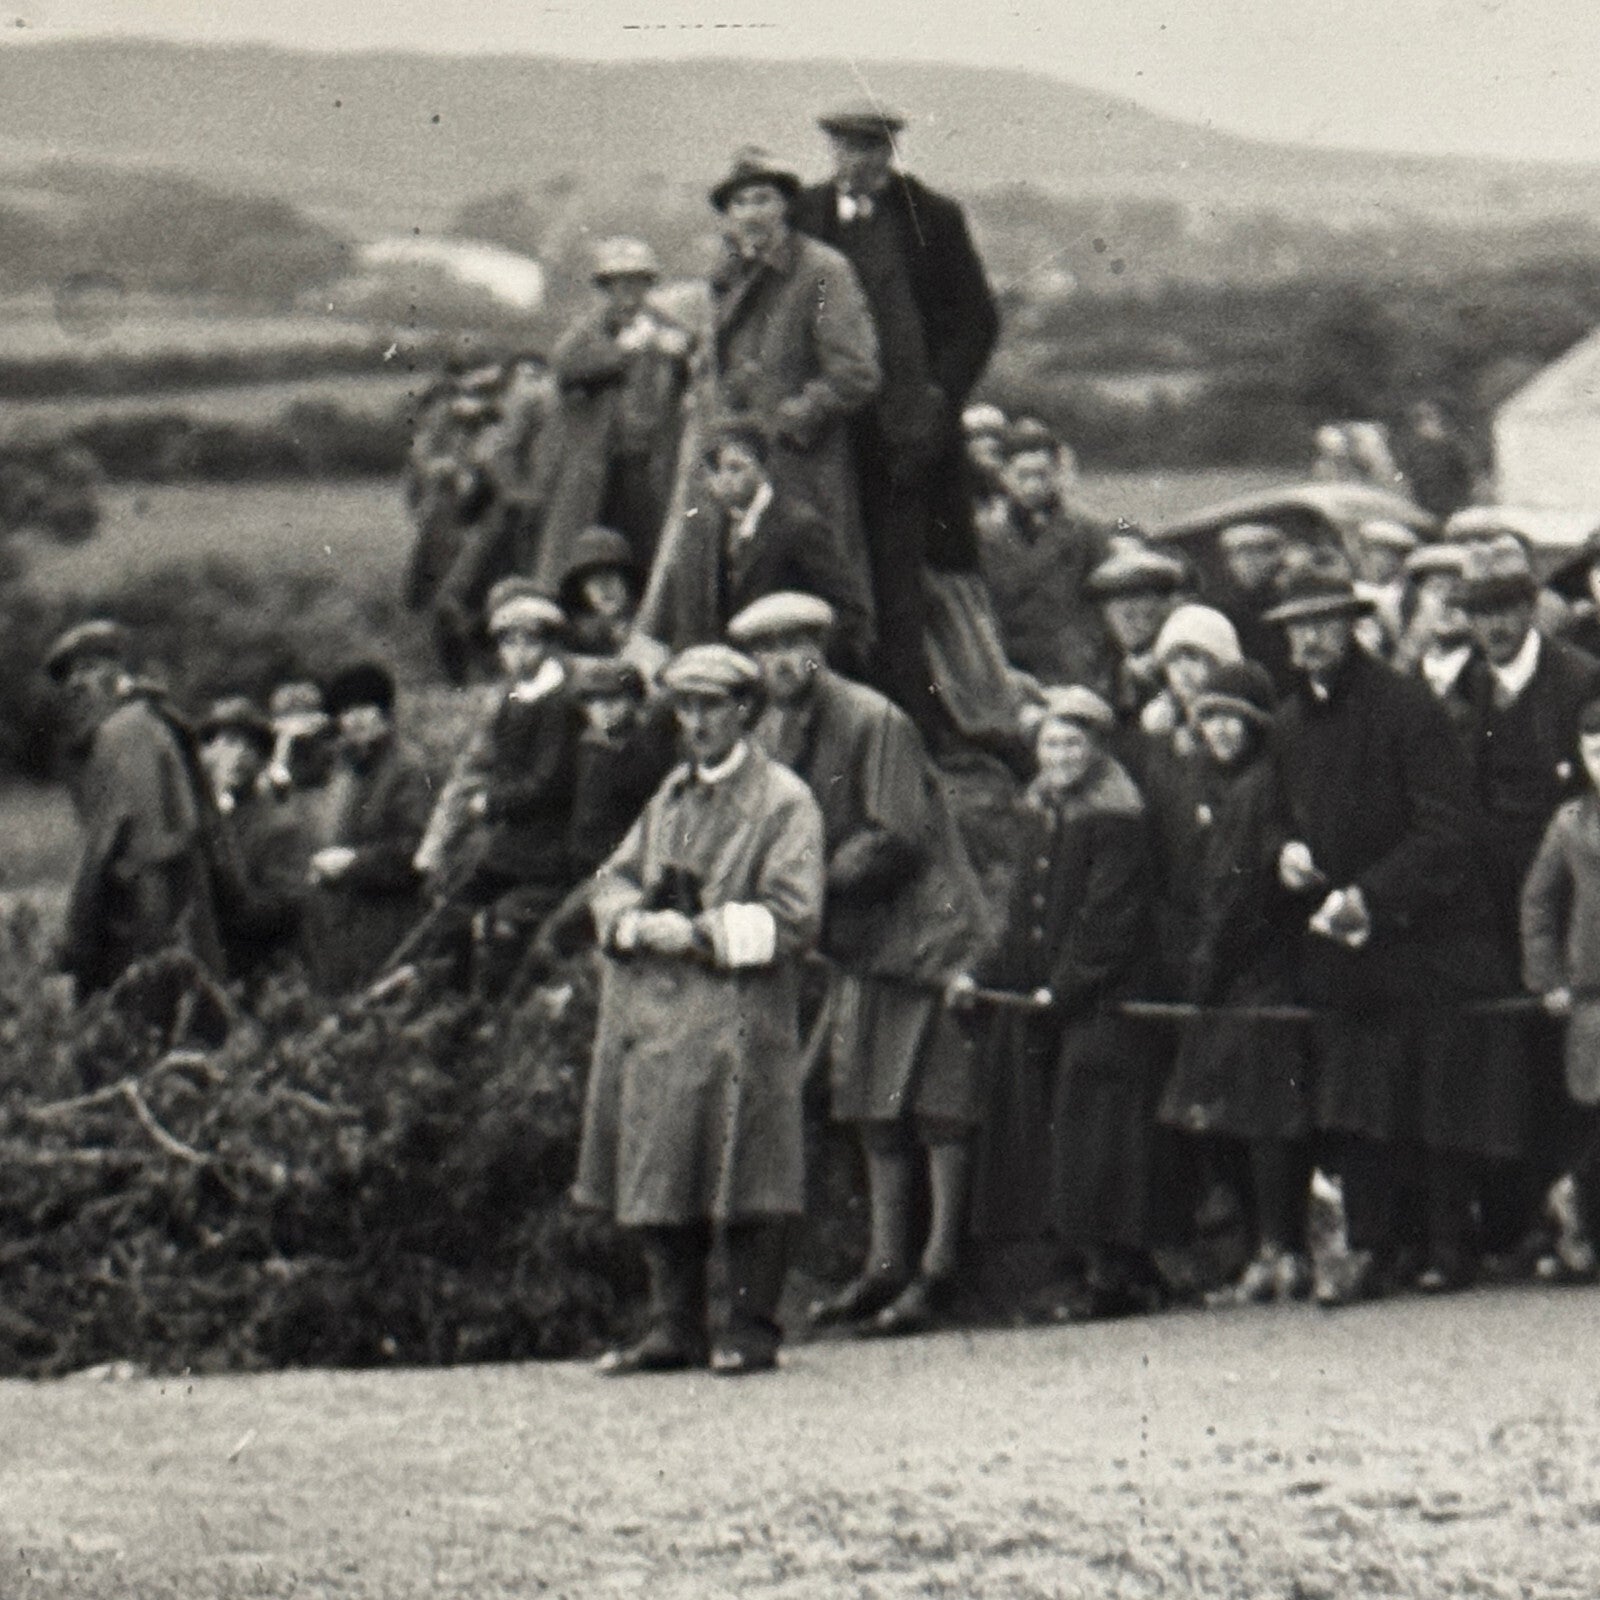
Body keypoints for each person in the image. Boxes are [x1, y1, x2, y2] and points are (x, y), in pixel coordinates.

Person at [727, 592, 991, 1337]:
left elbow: (896, 835)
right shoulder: (774, 731)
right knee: (872, 1104)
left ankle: (937, 1270)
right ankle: (884, 1265)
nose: (779, 662)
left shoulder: (875, 722)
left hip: (926, 931)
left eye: (794, 645)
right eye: (765, 650)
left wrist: (803, 882)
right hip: (862, 944)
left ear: (821, 647)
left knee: (939, 1105)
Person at [1264, 565, 1518, 1302]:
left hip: (1423, 936)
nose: (1310, 639)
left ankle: (1446, 1244)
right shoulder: (1287, 723)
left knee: (1434, 1096)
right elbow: (1276, 815)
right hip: (1339, 945)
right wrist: (1284, 854)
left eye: (1324, 622)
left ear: (1353, 625)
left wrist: (1370, 896)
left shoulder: (1406, 708)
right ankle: (1375, 1245)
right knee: (1358, 1101)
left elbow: (1448, 830)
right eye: (1296, 626)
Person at [572, 642, 826, 1377]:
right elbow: (614, 875)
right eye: (685, 706)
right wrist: (626, 919)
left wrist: (700, 933)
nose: (698, 721)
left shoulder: (783, 801)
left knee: (749, 1161)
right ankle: (673, 1324)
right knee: (660, 1157)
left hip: (739, 1009)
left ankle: (749, 1326)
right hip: (658, 1011)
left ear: (745, 710)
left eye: (713, 705)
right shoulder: (671, 796)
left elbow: (796, 915)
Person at [955, 686, 1172, 1319]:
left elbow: (1110, 916)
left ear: (1097, 748)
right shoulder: (1041, 810)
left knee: (1093, 1114)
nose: (1061, 755)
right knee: (1036, 1111)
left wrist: (1066, 985)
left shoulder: (1116, 814)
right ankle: (1071, 1265)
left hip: (1107, 995)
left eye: (1074, 742)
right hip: (1053, 995)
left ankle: (1112, 1272)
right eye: (1051, 742)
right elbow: (1020, 909)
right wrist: (983, 973)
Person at [793, 103, 1000, 734]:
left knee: (900, 583)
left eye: (871, 148)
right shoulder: (805, 214)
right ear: (831, 151)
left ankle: (910, 727)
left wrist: (940, 396)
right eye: (846, 148)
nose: (858, 161)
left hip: (907, 441)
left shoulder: (933, 217)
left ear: (890, 152)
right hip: (827, 436)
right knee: (828, 571)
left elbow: (977, 320)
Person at [1454, 537, 1600, 1263]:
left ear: (1532, 606)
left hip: (1575, 907)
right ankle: (1524, 1216)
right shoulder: (1463, 693)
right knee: (1511, 1063)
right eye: (1480, 613)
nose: (1496, 625)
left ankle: (1579, 1218)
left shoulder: (1580, 682)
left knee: (1575, 1065)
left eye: (1507, 607)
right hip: (1493, 908)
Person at [1156, 661, 1313, 1304]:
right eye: (1211, 719)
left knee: (1266, 1122)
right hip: (1220, 973)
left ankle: (1281, 1250)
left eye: (1234, 720)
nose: (1221, 731)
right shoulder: (1207, 786)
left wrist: (1210, 965)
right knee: (1219, 1122)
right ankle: (1260, 1249)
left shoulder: (1264, 786)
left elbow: (1246, 892)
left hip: (1260, 972)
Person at [695, 148, 880, 602]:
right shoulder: (726, 277)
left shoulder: (820, 271)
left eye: (763, 199)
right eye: (739, 204)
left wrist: (793, 415)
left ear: (785, 206)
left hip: (800, 461)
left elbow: (856, 372)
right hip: (735, 461)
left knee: (810, 585)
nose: (751, 214)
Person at [412, 583, 587, 998]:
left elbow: (549, 782)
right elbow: (486, 765)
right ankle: (441, 1004)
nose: (517, 654)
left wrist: (491, 802)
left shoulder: (559, 701)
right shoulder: (512, 696)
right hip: (510, 844)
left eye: (528, 642)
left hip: (546, 848)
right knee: (448, 914)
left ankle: (484, 1015)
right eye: (508, 644)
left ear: (547, 643)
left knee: (499, 931)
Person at [48, 620, 225, 997]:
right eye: (70, 678)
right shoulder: (143, 724)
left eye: (89, 669)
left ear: (118, 672)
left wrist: (143, 963)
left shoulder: (128, 732)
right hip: (157, 944)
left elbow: (150, 856)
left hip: (145, 950)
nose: (77, 686)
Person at [640, 419, 874, 673]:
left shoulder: (798, 525)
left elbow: (850, 611)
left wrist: (807, 662)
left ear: (762, 468)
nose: (724, 480)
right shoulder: (714, 528)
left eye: (735, 468)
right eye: (715, 471)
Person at [528, 237, 692, 592]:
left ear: (649, 284)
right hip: (595, 464)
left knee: (652, 551)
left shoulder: (668, 327)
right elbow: (566, 366)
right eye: (618, 283)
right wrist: (621, 352)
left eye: (636, 281)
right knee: (580, 550)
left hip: (650, 464)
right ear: (606, 287)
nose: (627, 292)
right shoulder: (589, 330)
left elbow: (699, 362)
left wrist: (681, 354)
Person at [1519, 696, 1600, 1282]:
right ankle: (1576, 1208)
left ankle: (1574, 1198)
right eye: (1596, 751)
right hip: (1592, 992)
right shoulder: (1572, 824)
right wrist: (1546, 974)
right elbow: (1539, 902)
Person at [302, 662, 432, 996]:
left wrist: (352, 863)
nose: (354, 720)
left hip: (389, 921)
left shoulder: (408, 767)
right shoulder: (345, 766)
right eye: (345, 711)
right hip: (339, 924)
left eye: (364, 708)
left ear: (384, 712)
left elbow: (415, 853)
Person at [977, 422, 1113, 688]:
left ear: (1056, 473)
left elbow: (1107, 605)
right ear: (1003, 476)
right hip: (1007, 668)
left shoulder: (1088, 530)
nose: (1033, 485)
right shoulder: (983, 535)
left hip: (1072, 668)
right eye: (1023, 475)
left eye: (1042, 475)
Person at [1084, 543, 1188, 761]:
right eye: (1113, 603)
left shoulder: (1185, 660)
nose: (1125, 614)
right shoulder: (1107, 671)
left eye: (1138, 598)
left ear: (1167, 603)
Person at [1211, 523, 1293, 689]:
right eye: (1236, 556)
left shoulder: (1287, 600)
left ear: (1271, 558)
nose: (1244, 563)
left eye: (1253, 554)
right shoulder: (1229, 610)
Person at [556, 525, 642, 658]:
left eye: (611, 577)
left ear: (628, 583)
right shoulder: (568, 644)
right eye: (593, 580)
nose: (604, 588)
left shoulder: (649, 631)